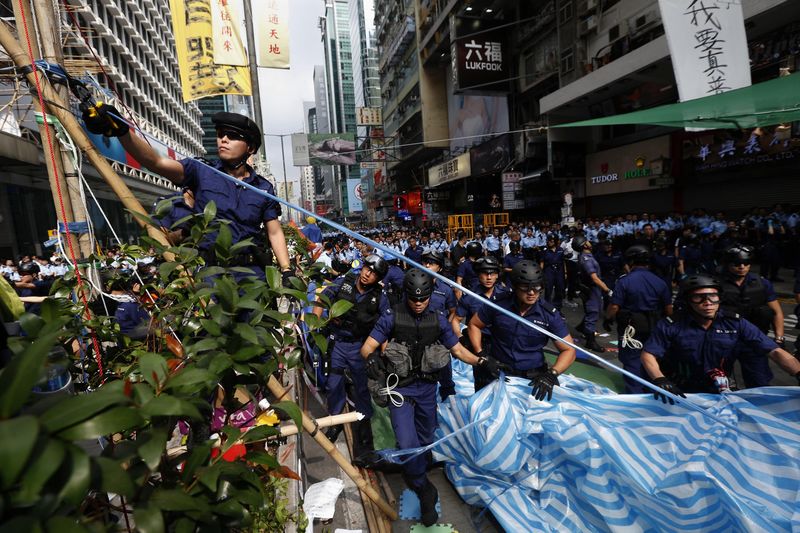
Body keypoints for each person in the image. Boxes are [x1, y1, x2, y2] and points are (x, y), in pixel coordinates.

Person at [83, 106, 292, 282]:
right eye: (220, 135)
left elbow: (274, 232)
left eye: (233, 136)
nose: (223, 140)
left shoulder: (263, 188)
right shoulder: (200, 171)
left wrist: (286, 270)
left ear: (251, 148)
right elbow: (156, 162)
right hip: (210, 275)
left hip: (252, 276)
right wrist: (122, 132)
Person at [359, 269, 487, 527]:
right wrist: (371, 359)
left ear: (430, 296)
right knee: (408, 442)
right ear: (406, 294)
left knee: (426, 439)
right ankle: (425, 489)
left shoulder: (438, 320)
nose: (419, 303)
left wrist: (481, 361)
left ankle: (416, 467)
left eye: (424, 298)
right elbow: (367, 347)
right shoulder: (392, 316)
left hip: (428, 389)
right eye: (414, 298)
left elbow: (458, 350)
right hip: (400, 391)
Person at [641, 275, 800, 402]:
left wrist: (798, 372)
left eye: (713, 297)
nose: (708, 303)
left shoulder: (735, 323)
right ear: (688, 301)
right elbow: (648, 354)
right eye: (699, 298)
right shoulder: (670, 325)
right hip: (681, 390)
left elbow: (775, 352)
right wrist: (660, 379)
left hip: (719, 390)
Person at [311, 254, 389, 456]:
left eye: (373, 273)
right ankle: (335, 422)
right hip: (337, 343)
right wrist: (314, 326)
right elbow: (321, 300)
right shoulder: (343, 283)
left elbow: (384, 326)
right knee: (334, 385)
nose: (367, 274)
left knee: (362, 388)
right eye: (366, 269)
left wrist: (383, 354)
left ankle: (364, 425)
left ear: (378, 278)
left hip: (360, 347)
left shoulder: (379, 297)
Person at [467, 260, 577, 397]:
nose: (531, 292)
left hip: (532, 376)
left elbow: (569, 349)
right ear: (514, 286)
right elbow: (474, 325)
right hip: (498, 370)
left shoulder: (549, 314)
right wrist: (481, 353)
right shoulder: (498, 305)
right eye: (525, 287)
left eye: (536, 287)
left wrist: (552, 374)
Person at [605, 245, 672, 394]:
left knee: (632, 360)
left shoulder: (625, 281)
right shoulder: (659, 281)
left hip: (631, 327)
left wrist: (607, 318)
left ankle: (635, 394)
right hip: (655, 325)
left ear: (630, 262)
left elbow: (614, 306)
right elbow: (669, 309)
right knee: (651, 357)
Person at [718, 245, 784, 388]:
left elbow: (776, 311)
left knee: (759, 382)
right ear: (728, 264)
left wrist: (779, 337)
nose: (742, 267)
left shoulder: (761, 283)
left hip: (753, 339)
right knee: (717, 382)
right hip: (723, 338)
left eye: (746, 263)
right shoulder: (715, 283)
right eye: (737, 264)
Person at [452, 256, 509, 390]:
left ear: (497, 275)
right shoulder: (470, 296)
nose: (489, 277)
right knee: (483, 382)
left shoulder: (506, 295)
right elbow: (455, 320)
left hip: (502, 342)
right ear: (478, 274)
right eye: (485, 273)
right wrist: (460, 337)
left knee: (505, 380)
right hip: (480, 344)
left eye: (492, 273)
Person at [573, 235, 611, 352]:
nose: (590, 242)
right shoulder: (587, 260)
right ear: (584, 245)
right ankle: (590, 342)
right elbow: (594, 278)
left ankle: (581, 328)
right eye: (587, 241)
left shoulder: (586, 256)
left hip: (592, 289)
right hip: (592, 289)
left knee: (594, 310)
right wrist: (607, 290)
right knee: (593, 313)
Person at [540, 233, 567, 310]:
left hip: (559, 271)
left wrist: (565, 272)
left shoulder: (560, 250)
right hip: (549, 271)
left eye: (552, 241)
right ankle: (547, 308)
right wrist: (540, 274)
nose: (550, 242)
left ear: (555, 241)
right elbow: (542, 263)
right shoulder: (545, 250)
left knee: (559, 289)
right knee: (548, 290)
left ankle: (557, 308)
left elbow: (563, 262)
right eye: (549, 241)